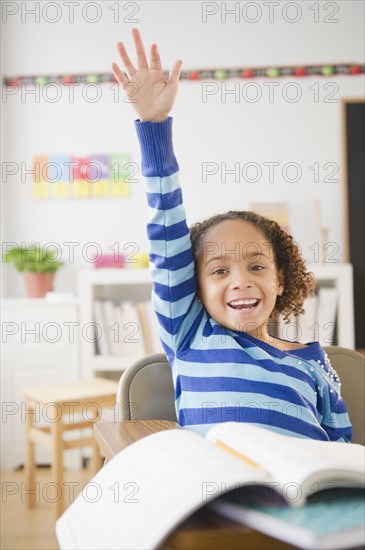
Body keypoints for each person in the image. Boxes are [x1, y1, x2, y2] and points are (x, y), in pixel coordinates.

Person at [112, 28, 352, 442]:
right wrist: (154, 126)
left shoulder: (314, 366)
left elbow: (343, 451)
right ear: (195, 287)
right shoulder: (189, 335)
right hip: (216, 499)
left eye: (256, 265)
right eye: (219, 271)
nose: (240, 279)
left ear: (279, 279)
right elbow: (166, 231)